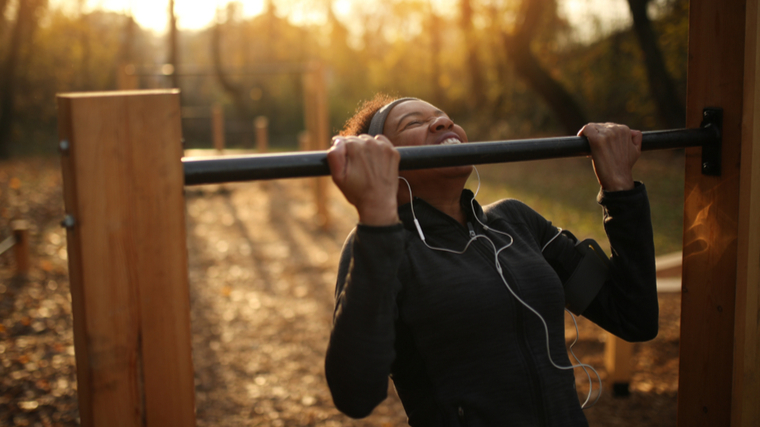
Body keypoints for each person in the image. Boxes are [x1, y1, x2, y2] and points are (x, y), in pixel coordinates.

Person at [323, 95, 658, 426]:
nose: (443, 123)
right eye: (413, 123)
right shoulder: (379, 244)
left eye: (445, 117)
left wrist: (620, 191)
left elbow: (631, 315)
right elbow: (356, 395)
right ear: (382, 160)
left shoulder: (516, 221)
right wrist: (377, 221)